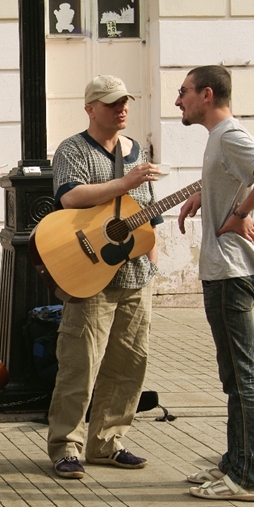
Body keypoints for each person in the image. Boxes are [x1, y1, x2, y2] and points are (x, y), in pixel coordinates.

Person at [176, 65, 254, 502]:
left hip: (232, 273)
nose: (178, 99)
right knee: (234, 377)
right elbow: (240, 176)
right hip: (226, 271)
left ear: (206, 94)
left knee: (242, 378)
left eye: (183, 91)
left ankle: (248, 478)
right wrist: (208, 193)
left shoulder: (229, 135)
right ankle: (235, 463)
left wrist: (239, 213)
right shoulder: (219, 139)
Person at [46, 75, 163, 479]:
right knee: (80, 364)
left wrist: (153, 256)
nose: (122, 109)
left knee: (129, 363)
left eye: (125, 101)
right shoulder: (73, 150)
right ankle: (66, 446)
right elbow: (69, 197)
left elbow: (147, 212)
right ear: (90, 108)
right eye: (112, 103)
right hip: (90, 275)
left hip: (135, 275)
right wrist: (125, 182)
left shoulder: (138, 151)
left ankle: (107, 441)